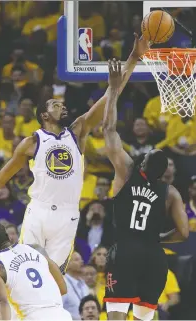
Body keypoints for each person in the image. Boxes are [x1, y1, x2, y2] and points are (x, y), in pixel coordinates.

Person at [0, 35, 149, 273]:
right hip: (40, 210)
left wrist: (134, 58)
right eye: (55, 104)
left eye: (62, 104)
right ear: (43, 114)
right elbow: (0, 178)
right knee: (27, 272)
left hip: (67, 213)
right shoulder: (31, 142)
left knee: (54, 276)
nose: (62, 105)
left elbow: (109, 97)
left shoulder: (78, 131)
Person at [102, 60, 189, 320]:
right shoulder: (171, 191)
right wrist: (155, 238)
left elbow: (108, 130)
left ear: (142, 161)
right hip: (154, 256)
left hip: (125, 252)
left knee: (116, 316)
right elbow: (184, 233)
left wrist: (113, 90)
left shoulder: (127, 172)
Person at [0, 222, 72, 320]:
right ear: (8, 236)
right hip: (61, 315)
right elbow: (62, 289)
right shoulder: (36, 249)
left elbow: (1, 302)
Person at [63, 252, 89, 320]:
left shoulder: (84, 284)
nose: (82, 262)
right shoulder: (63, 283)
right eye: (77, 260)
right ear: (67, 265)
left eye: (81, 259)